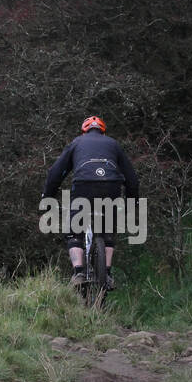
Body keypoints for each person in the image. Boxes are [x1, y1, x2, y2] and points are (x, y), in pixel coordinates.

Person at [43, 116, 139, 289]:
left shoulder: (76, 143)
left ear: (84, 130)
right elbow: (131, 178)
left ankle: (78, 273)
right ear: (103, 131)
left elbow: (55, 173)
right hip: (111, 186)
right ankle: (107, 275)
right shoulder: (113, 144)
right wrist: (133, 203)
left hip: (84, 185)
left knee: (74, 230)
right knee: (107, 231)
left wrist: (48, 196)